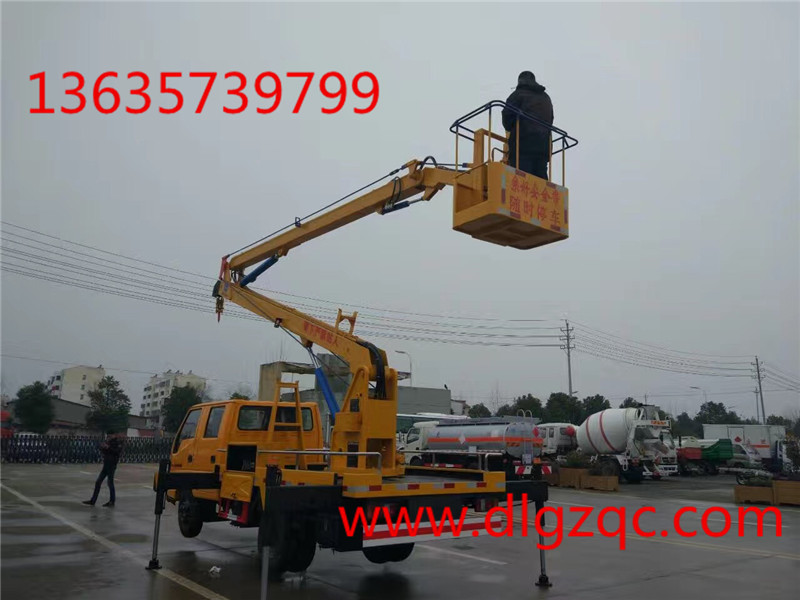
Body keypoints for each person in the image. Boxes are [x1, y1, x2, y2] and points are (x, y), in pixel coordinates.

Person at [502, 71, 554, 179]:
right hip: (544, 148)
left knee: (521, 178)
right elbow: (551, 119)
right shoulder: (546, 97)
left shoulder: (518, 94)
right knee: (540, 181)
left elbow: (507, 119)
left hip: (523, 146)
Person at [82, 431, 124, 507]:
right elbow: (104, 452)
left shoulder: (118, 442)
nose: (109, 437)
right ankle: (93, 500)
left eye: (110, 435)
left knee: (110, 483)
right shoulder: (108, 442)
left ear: (115, 435)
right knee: (98, 482)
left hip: (112, 465)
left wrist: (108, 447)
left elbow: (117, 452)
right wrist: (102, 447)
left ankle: (112, 501)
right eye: (108, 435)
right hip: (106, 465)